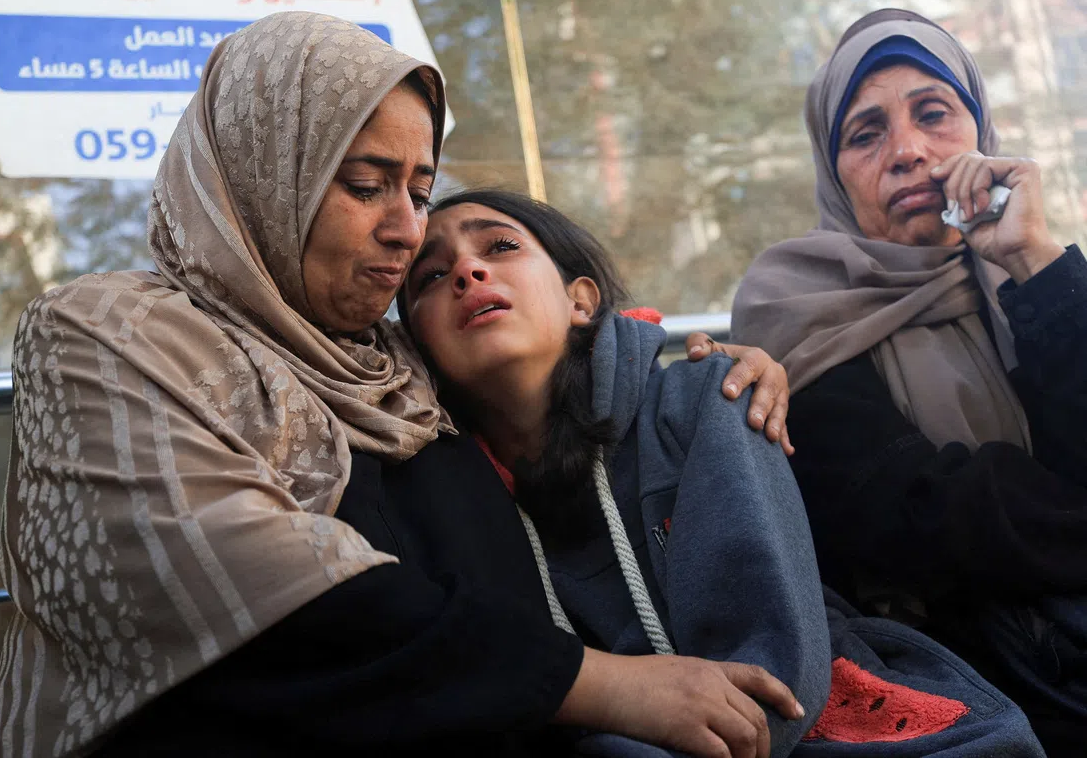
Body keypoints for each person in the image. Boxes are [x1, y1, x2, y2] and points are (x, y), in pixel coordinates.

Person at [0, 12, 799, 758]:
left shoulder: (397, 366)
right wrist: (603, 686)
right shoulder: (106, 333)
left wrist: (698, 377)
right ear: (267, 174)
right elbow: (239, 584)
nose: (409, 233)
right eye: (366, 186)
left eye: (418, 190)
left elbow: (556, 386)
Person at [399, 188, 1046, 757]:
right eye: (428, 277)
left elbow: (770, 681)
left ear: (581, 300)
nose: (466, 269)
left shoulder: (711, 395)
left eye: (501, 245)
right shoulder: (446, 500)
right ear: (416, 343)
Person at [731, 8, 1087, 756]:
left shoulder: (1022, 278)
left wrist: (1033, 257)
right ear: (834, 173)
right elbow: (928, 522)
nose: (909, 152)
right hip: (960, 691)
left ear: (980, 133)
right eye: (865, 134)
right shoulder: (793, 306)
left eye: (935, 114)